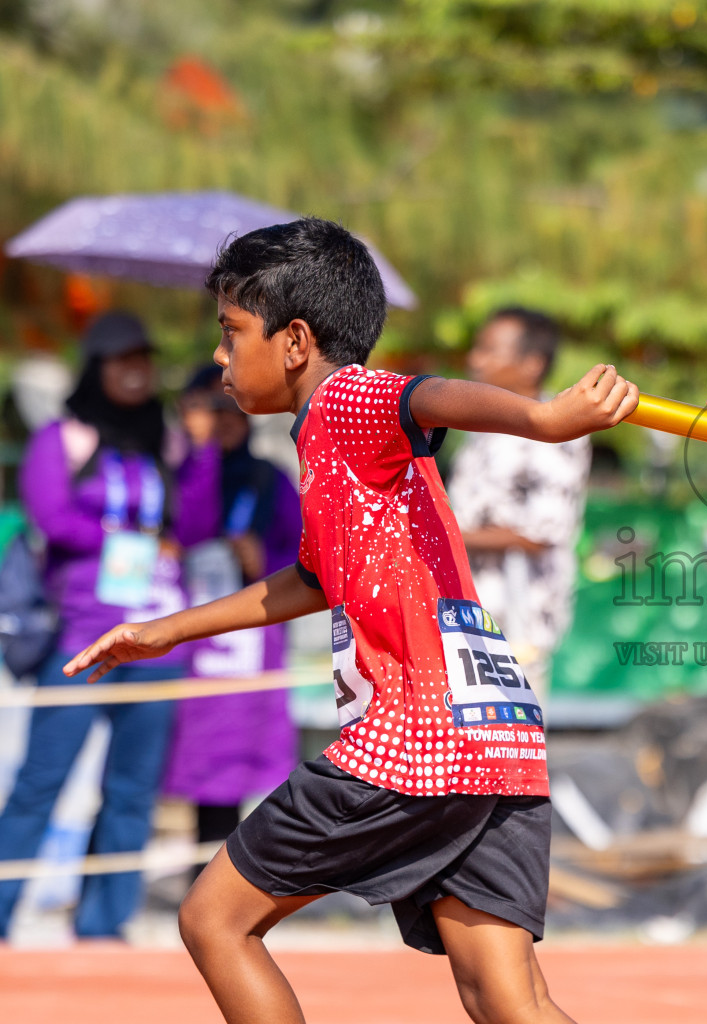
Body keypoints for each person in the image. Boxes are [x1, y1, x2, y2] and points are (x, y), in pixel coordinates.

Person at [64, 217, 637, 1023]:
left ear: (295, 341)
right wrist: (168, 629)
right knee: (509, 1000)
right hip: (497, 733)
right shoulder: (325, 447)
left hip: (414, 739)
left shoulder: (344, 400)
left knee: (213, 920)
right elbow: (313, 580)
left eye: (231, 335)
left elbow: (421, 395)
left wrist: (541, 420)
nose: (221, 360)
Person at [0, 311, 220, 940]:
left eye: (144, 358)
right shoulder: (61, 437)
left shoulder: (168, 438)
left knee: (132, 792)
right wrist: (126, 539)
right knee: (39, 783)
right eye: (121, 357)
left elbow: (197, 528)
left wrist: (201, 449)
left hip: (155, 640)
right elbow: (51, 518)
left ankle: (103, 927)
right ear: (96, 364)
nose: (135, 369)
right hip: (80, 636)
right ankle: (1, 915)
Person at [161, 366, 302, 856]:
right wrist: (202, 457)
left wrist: (264, 561)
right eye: (209, 413)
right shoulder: (181, 474)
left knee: (242, 759)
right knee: (192, 760)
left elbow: (307, 558)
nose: (221, 424)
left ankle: (231, 879)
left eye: (230, 413)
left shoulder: (271, 479)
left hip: (250, 639)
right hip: (189, 636)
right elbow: (187, 528)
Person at [448, 308, 590, 691]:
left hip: (513, 632)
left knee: (504, 746)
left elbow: (541, 532)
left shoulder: (557, 428)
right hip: (465, 625)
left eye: (490, 350)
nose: (475, 360)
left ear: (532, 364)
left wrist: (441, 536)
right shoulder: (484, 425)